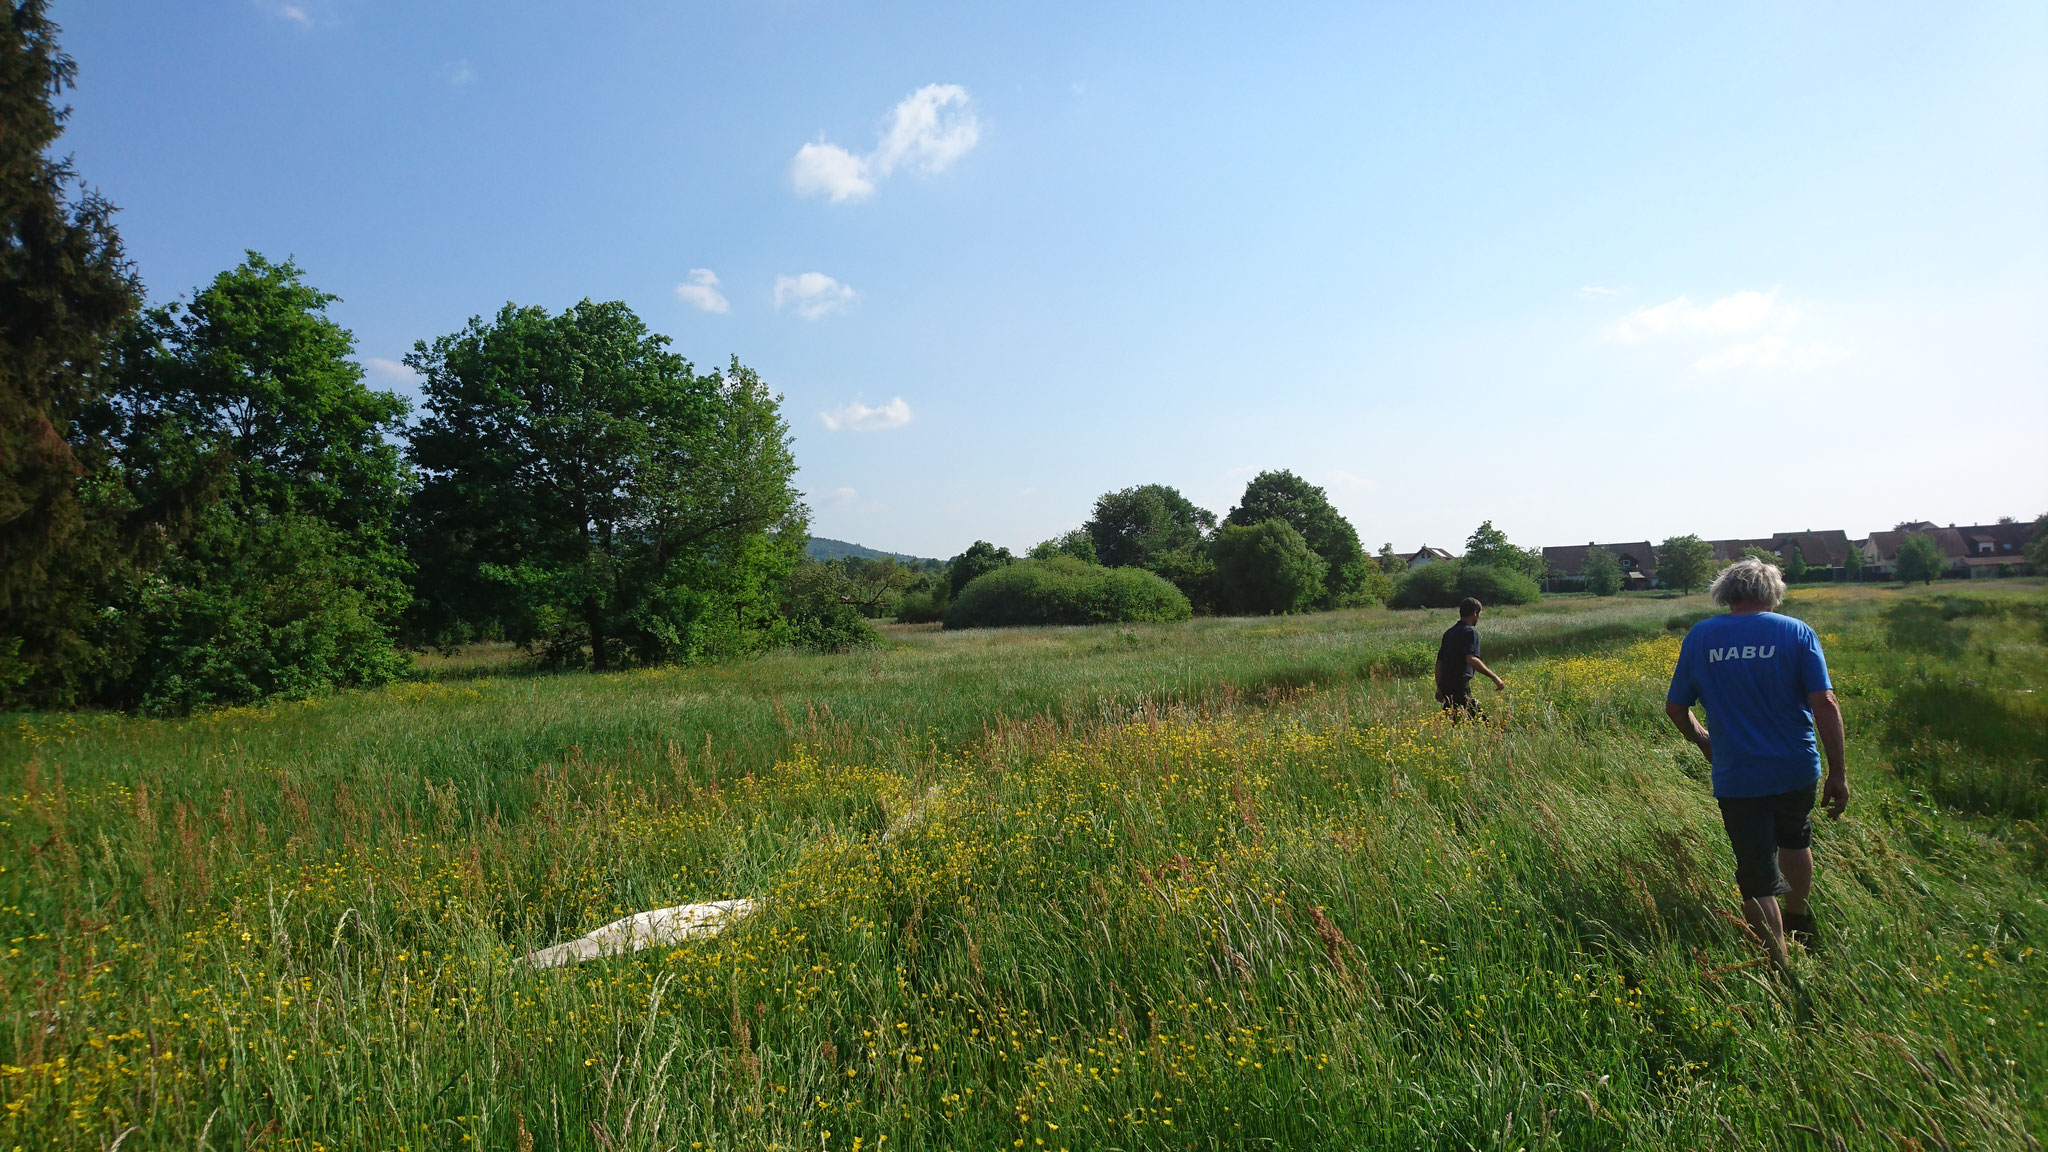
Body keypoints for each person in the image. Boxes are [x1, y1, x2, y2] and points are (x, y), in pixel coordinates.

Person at [1665, 558, 1849, 973]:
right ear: (1772, 591)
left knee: (1755, 871)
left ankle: (1779, 966)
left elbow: (1676, 707)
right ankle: (1799, 916)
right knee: (1796, 839)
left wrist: (1704, 741)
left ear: (1726, 592)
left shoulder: (1702, 636)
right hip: (1796, 767)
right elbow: (1826, 703)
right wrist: (1837, 773)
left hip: (1738, 773)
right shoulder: (1796, 631)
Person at [1435, 597, 1504, 719]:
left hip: (1446, 685)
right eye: (1479, 614)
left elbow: (1439, 662)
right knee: (1481, 721)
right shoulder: (1470, 633)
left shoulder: (1449, 633)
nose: (1479, 617)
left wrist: (1439, 687)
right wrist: (1495, 677)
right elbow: (1471, 659)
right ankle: (1496, 736)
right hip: (1459, 685)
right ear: (1475, 613)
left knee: (1452, 720)